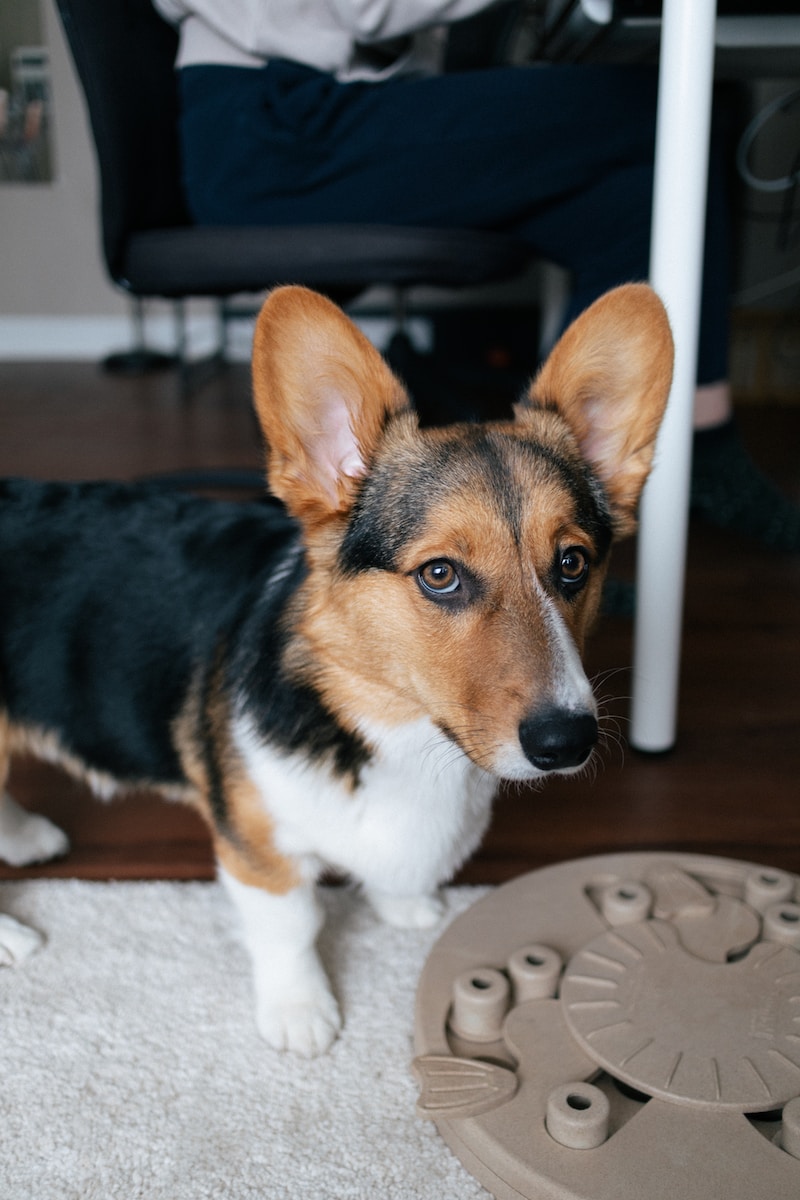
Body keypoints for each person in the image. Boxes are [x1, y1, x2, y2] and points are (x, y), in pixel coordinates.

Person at [153, 0, 799, 553]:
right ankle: (703, 443)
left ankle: (565, 514)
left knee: (628, 201)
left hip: (305, 108)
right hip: (272, 126)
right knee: (668, 105)